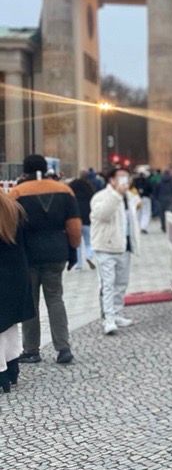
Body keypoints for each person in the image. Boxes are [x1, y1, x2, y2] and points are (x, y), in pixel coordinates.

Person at [11, 155, 81, 365]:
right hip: (57, 251)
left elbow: (11, 227)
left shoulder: (18, 193)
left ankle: (31, 349)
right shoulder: (64, 190)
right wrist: (73, 249)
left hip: (29, 254)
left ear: (25, 171)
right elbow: (74, 226)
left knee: (31, 302)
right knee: (55, 298)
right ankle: (63, 347)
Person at [90, 167, 142, 335]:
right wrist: (117, 194)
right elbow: (103, 215)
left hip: (124, 246)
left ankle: (118, 313)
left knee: (121, 283)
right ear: (112, 180)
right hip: (105, 247)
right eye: (121, 177)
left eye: (127, 177)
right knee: (107, 284)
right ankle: (108, 318)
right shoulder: (101, 196)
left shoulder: (130, 197)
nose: (125, 180)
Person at [0, 189, 32, 393]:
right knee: (9, 323)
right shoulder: (14, 208)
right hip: (16, 273)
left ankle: (2, 373)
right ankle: (12, 367)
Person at [68, 170, 96, 270]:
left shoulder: (72, 185)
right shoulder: (89, 187)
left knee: (78, 243)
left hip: (75, 217)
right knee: (89, 241)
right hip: (87, 217)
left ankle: (78, 264)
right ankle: (89, 256)